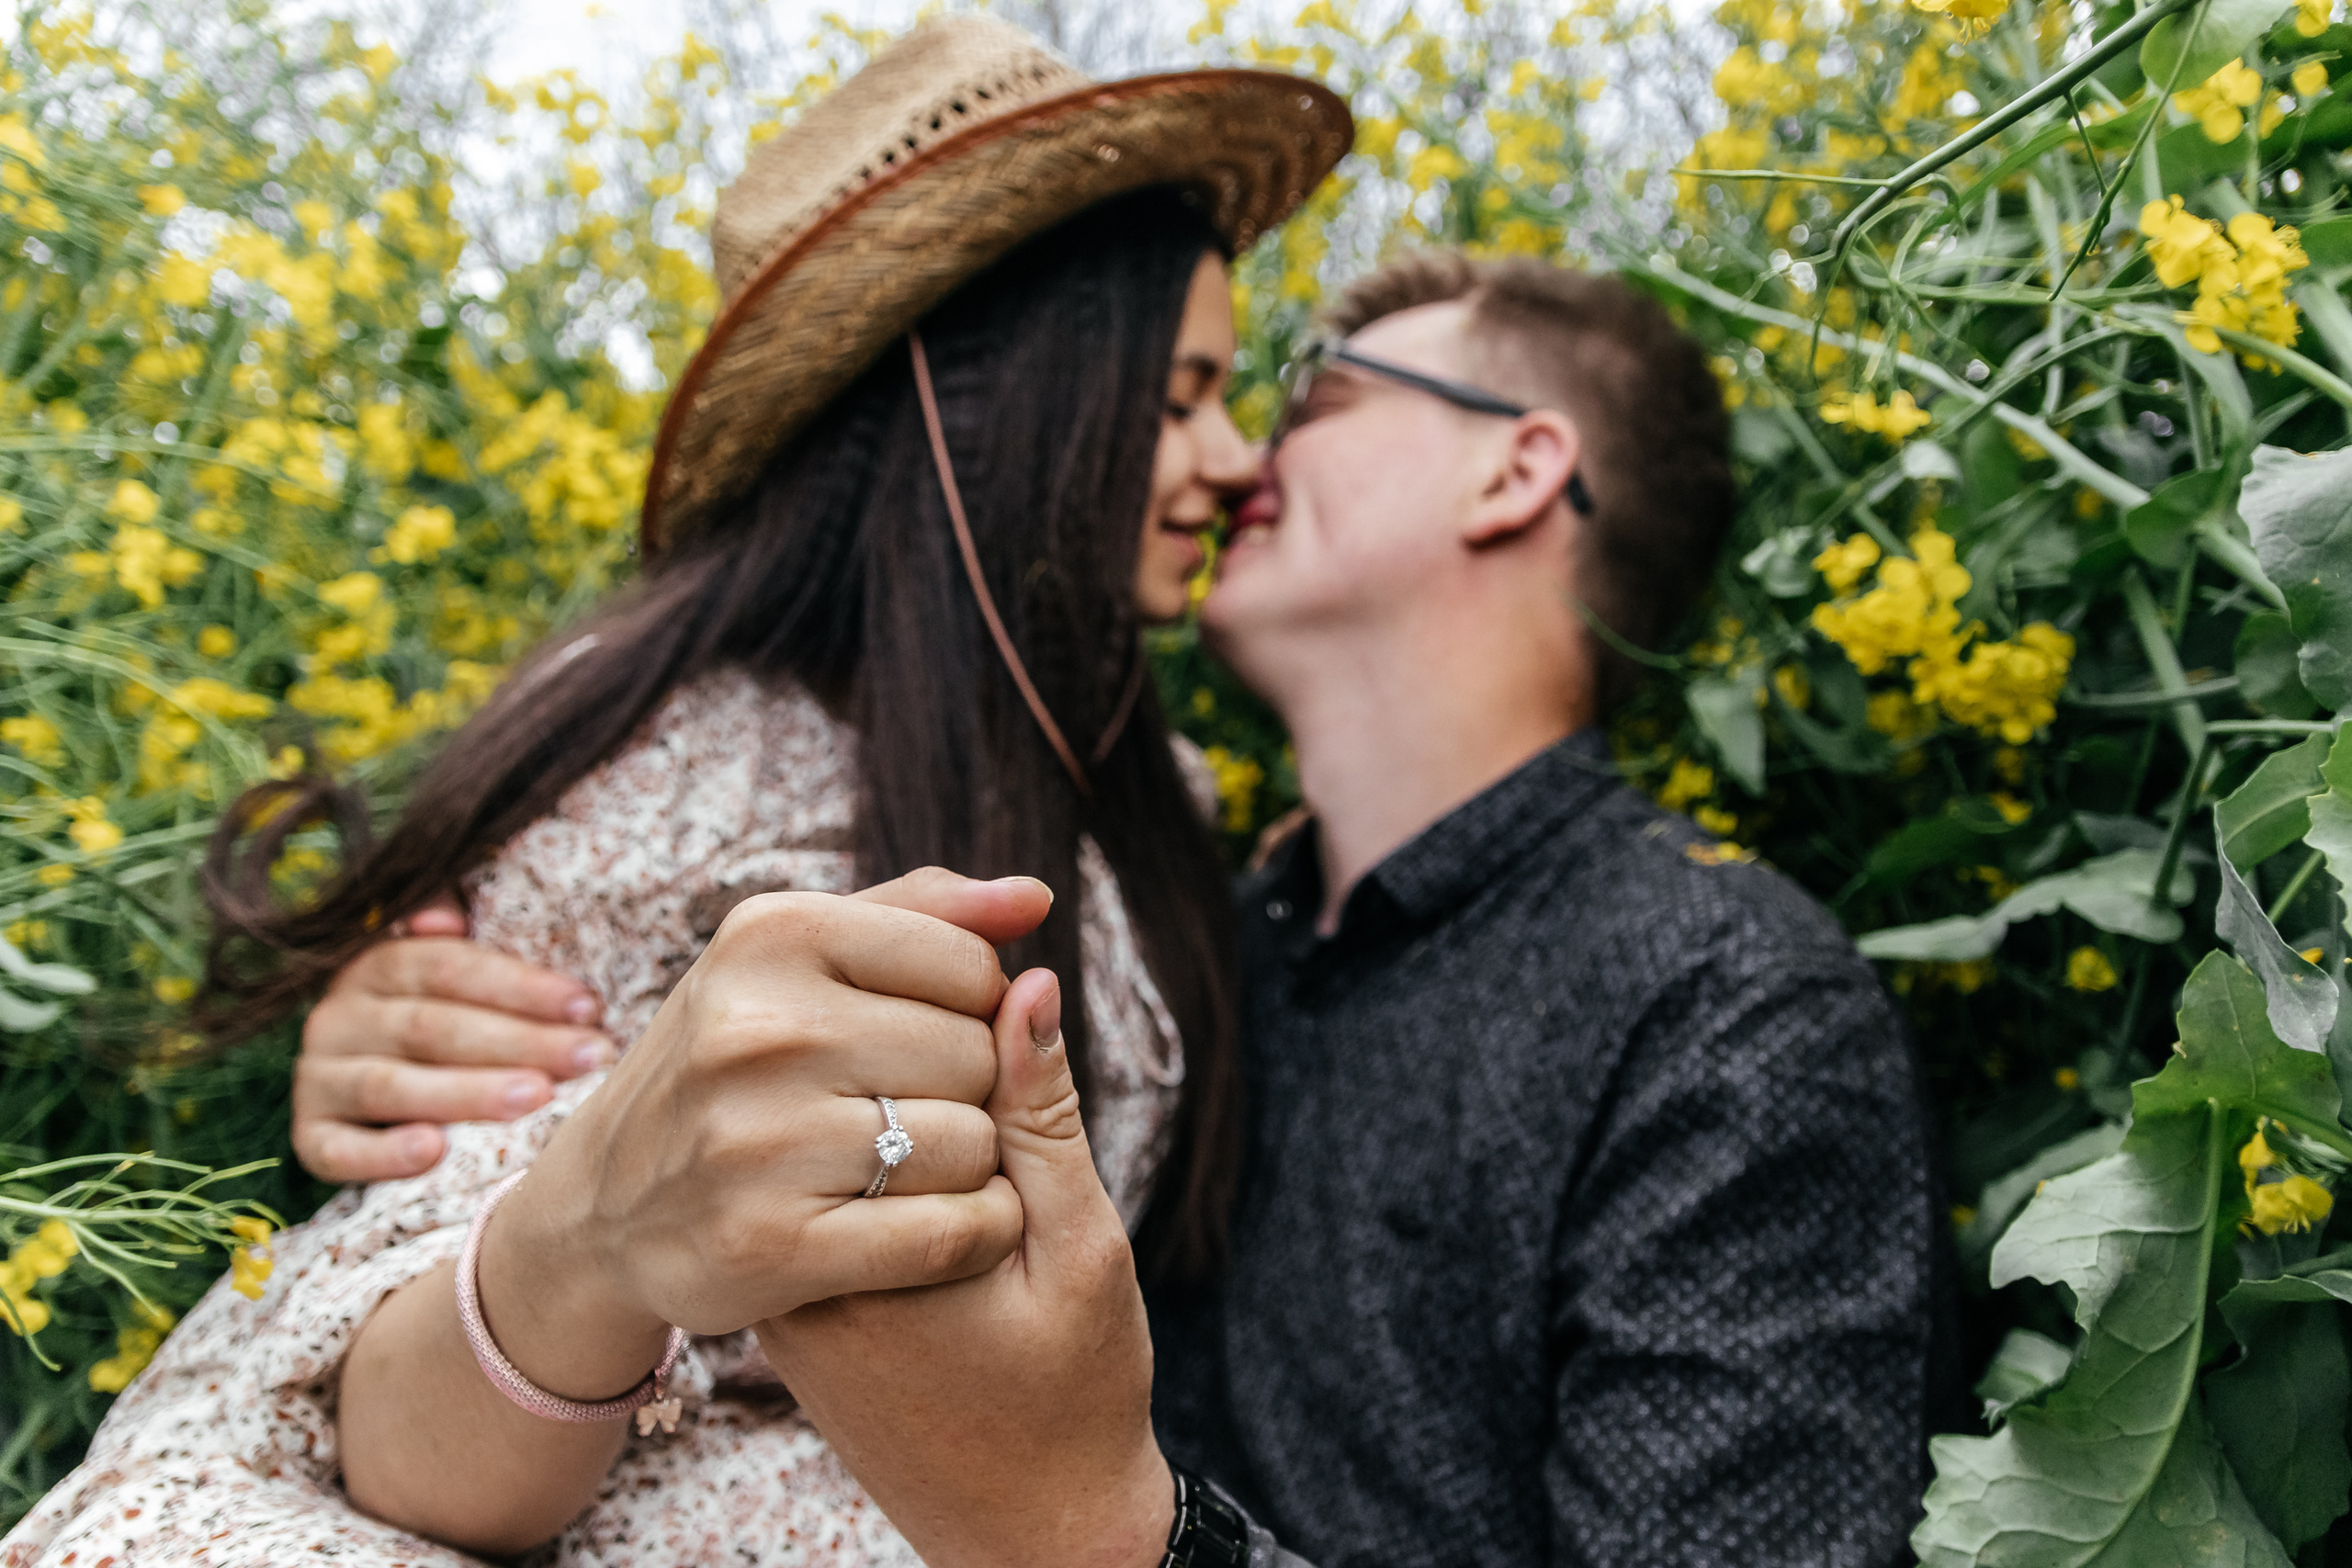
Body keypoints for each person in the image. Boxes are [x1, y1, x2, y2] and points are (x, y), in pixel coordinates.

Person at [254, 251, 1950, 1566]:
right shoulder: (1193, 937)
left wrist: (1086, 1532)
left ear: (1512, 476)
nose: (1234, 456)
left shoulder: (1725, 1007)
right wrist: (425, 1035)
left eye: (1319, 393)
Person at [0, 17, 1350, 1567]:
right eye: (1180, 398)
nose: (1235, 457)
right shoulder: (685, 780)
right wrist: (593, 1219)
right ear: (997, 408)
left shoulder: (1135, 778)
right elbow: (393, 1407)